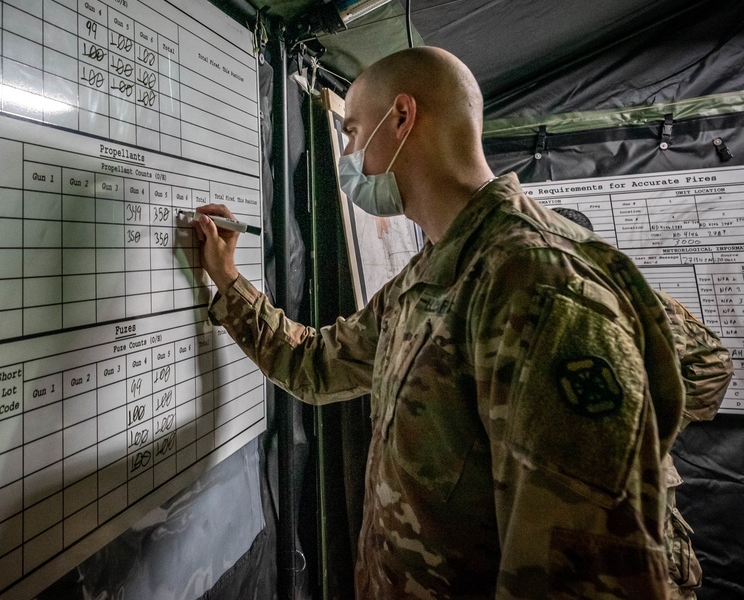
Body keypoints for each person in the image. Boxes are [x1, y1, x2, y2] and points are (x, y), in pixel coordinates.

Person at [192, 46, 685, 598]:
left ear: (401, 117)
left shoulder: (539, 287)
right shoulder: (432, 274)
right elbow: (316, 365)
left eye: (353, 131)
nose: (348, 152)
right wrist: (228, 281)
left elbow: (582, 577)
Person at [552, 206, 735, 599]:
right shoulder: (644, 300)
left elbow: (712, 363)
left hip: (600, 468)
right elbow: (712, 360)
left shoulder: (568, 302)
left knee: (648, 569)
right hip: (591, 468)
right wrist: (658, 422)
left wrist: (661, 421)